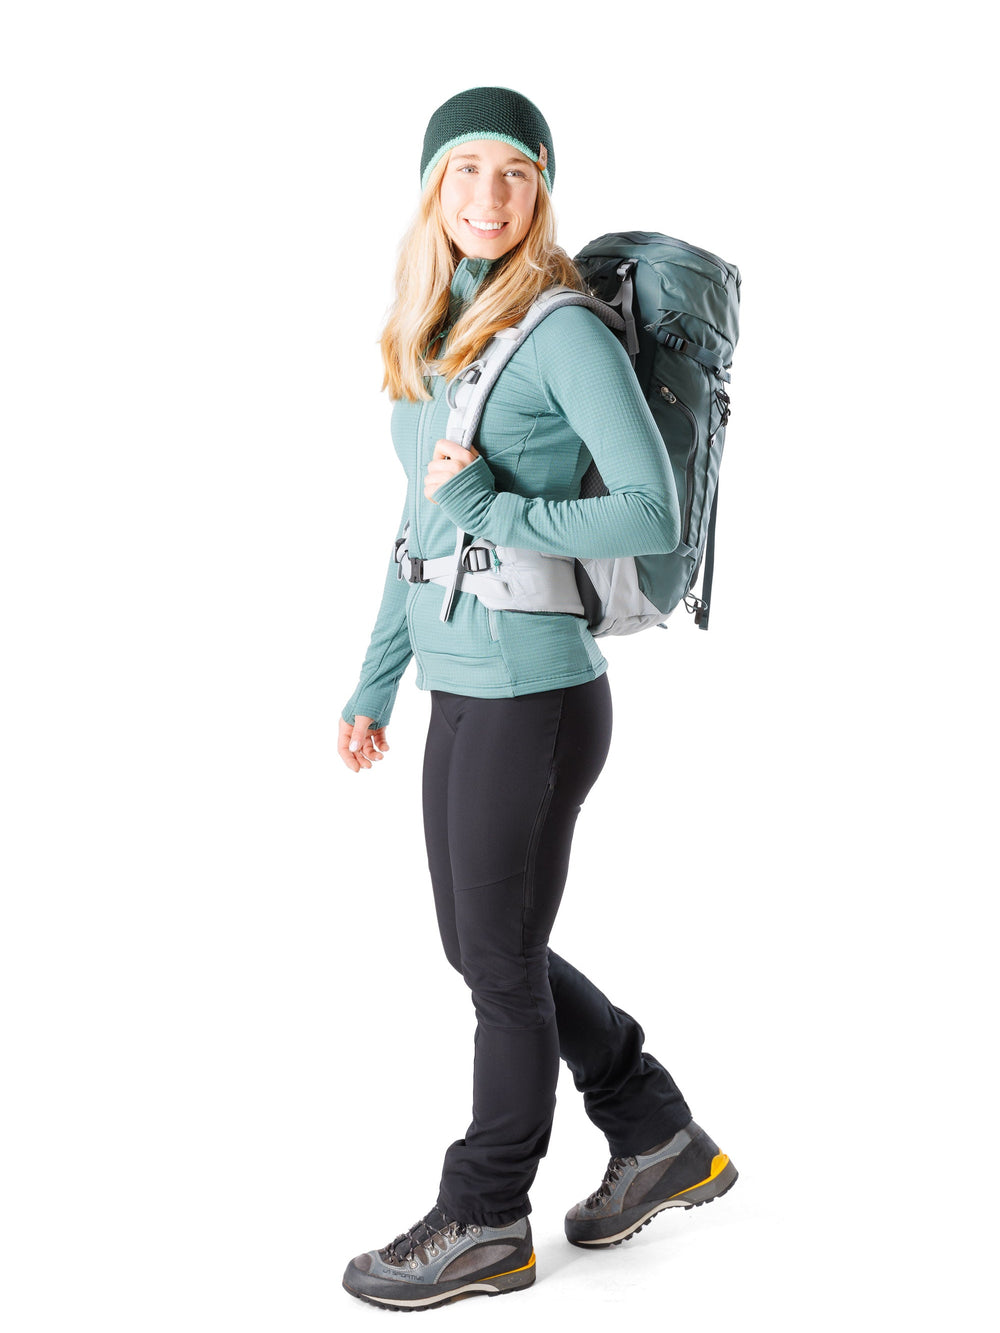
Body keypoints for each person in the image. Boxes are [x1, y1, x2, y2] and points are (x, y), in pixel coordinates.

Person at [337, 87, 737, 1311]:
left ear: (542, 192)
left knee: (498, 966)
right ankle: (655, 1130)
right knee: (481, 948)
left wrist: (495, 509)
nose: (488, 196)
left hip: (538, 695)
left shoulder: (562, 332)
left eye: (515, 173)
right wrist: (376, 679)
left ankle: (484, 1215)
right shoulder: (432, 332)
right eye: (465, 170)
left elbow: (650, 512)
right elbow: (418, 525)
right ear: (431, 189)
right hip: (459, 685)